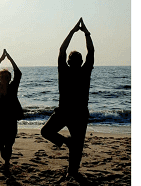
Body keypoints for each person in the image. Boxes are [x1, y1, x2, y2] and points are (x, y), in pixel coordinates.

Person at [42, 18, 94, 176]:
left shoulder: (64, 70)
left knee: (46, 132)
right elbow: (91, 51)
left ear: (69, 61)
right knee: (77, 145)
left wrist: (72, 32)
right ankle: (72, 171)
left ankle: (68, 152)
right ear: (81, 61)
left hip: (66, 112)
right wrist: (86, 33)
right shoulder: (85, 71)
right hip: (76, 113)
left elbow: (61, 50)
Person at [0, 49, 23, 165]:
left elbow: (18, 73)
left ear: (9, 78)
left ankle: (7, 163)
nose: (4, 78)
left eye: (6, 77)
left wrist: (10, 59)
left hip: (11, 120)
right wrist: (0, 59)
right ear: (0, 78)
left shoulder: (13, 87)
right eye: (2, 76)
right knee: (0, 143)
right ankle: (5, 159)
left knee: (9, 143)